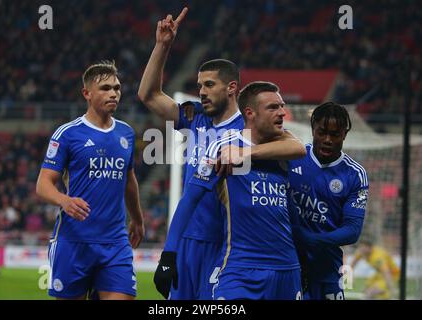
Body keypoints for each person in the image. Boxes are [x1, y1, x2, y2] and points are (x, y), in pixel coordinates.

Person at [138, 8, 305, 299]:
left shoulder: (250, 126)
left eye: (209, 85)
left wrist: (247, 153)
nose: (201, 92)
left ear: (231, 88)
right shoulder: (194, 118)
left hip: (226, 244)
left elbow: (295, 146)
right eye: (199, 85)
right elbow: (149, 95)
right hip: (189, 238)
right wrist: (162, 46)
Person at [161, 81, 303, 299]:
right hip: (241, 266)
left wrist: (246, 153)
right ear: (250, 113)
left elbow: (300, 149)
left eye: (281, 106)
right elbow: (189, 200)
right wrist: (169, 255)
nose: (282, 113)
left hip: (287, 268)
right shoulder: (220, 147)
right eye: (273, 107)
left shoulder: (285, 146)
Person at [36, 60, 145, 300]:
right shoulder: (68, 133)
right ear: (87, 93)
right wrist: (63, 200)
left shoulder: (126, 133)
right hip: (74, 241)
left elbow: (129, 180)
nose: (114, 93)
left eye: (117, 88)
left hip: (115, 242)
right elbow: (43, 184)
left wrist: (137, 219)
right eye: (105, 88)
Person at [288, 102, 369, 300]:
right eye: (321, 132)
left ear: (344, 135)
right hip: (289, 262)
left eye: (335, 134)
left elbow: (352, 230)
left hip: (327, 268)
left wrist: (311, 240)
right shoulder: (291, 157)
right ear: (313, 129)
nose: (327, 140)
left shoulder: (355, 174)